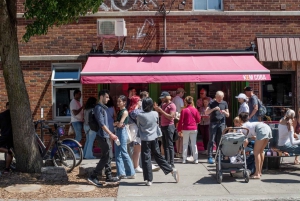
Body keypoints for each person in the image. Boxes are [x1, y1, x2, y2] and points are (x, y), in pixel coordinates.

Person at [137, 97, 179, 186]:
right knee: (158, 156)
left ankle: (149, 179)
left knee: (146, 159)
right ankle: (171, 170)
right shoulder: (155, 113)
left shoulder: (140, 115)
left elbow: (138, 125)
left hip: (145, 139)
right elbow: (156, 123)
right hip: (154, 137)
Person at [87, 90, 120, 187]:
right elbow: (102, 124)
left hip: (106, 135)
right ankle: (93, 176)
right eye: (107, 97)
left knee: (109, 156)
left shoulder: (103, 108)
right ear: (101, 97)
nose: (108, 99)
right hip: (102, 136)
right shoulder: (98, 108)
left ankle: (108, 176)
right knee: (105, 156)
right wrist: (111, 134)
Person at [239, 112, 272, 179]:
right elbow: (253, 136)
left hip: (260, 129)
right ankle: (259, 172)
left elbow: (245, 141)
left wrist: (241, 150)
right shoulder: (249, 124)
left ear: (240, 119)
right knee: (261, 151)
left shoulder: (242, 127)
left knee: (256, 152)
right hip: (267, 127)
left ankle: (257, 173)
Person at [114, 95, 135, 179]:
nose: (118, 103)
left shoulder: (125, 112)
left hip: (122, 132)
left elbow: (120, 124)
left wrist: (117, 123)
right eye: (118, 101)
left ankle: (131, 172)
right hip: (118, 131)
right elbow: (117, 123)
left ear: (124, 102)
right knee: (117, 153)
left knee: (123, 152)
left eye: (120, 101)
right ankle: (120, 173)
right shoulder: (119, 111)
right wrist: (117, 123)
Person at [205, 91, 230, 164]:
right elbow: (206, 112)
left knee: (220, 140)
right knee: (211, 140)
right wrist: (213, 109)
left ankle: (219, 155)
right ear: (216, 96)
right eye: (218, 97)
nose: (219, 99)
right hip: (213, 123)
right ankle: (210, 156)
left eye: (221, 98)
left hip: (222, 123)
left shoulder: (224, 103)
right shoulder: (212, 103)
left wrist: (225, 112)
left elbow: (228, 115)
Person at [154, 91, 176, 168]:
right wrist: (157, 110)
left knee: (170, 145)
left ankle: (172, 163)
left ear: (167, 97)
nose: (162, 99)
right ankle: (167, 161)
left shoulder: (172, 105)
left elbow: (171, 116)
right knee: (165, 145)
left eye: (163, 98)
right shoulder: (163, 105)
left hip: (169, 126)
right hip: (163, 126)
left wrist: (161, 110)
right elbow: (161, 115)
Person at [177, 96, 201, 164]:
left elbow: (181, 121)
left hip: (186, 128)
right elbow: (198, 120)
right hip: (193, 128)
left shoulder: (184, 110)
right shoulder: (195, 110)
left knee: (185, 144)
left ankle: (184, 159)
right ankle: (196, 159)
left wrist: (179, 130)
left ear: (186, 102)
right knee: (194, 144)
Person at [128, 95, 143, 173]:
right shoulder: (137, 111)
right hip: (136, 132)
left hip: (132, 131)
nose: (141, 101)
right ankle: (136, 166)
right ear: (137, 101)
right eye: (140, 100)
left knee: (135, 150)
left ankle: (135, 166)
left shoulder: (130, 111)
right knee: (137, 150)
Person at [0, 102, 14, 173]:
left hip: (5, 135)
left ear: (6, 107)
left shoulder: (2, 115)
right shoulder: (15, 116)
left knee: (9, 151)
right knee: (10, 152)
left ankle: (8, 150)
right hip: (14, 137)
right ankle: (7, 169)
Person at [172, 88, 185, 159]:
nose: (183, 94)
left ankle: (177, 151)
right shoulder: (180, 100)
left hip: (174, 118)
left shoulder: (173, 99)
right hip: (180, 118)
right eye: (183, 93)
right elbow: (182, 109)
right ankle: (180, 151)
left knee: (177, 135)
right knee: (181, 136)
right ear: (180, 92)